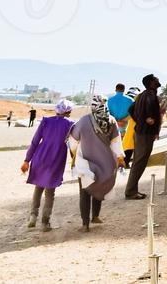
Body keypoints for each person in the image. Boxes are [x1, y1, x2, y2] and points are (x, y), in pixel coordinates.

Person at [68, 96, 124, 232]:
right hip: (105, 163)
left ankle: (85, 224)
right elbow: (116, 142)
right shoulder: (111, 120)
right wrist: (120, 158)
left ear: (93, 106)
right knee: (99, 188)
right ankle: (96, 216)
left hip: (85, 163)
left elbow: (73, 142)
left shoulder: (83, 121)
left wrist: (73, 154)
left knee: (85, 192)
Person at [20, 99, 73, 231]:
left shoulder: (45, 121)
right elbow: (74, 145)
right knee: (50, 192)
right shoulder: (71, 124)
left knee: (39, 187)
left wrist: (27, 160)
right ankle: (45, 222)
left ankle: (33, 215)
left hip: (40, 156)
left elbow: (35, 141)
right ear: (67, 111)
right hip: (56, 158)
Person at [124, 75, 162, 200]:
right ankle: (130, 192)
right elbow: (147, 112)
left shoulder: (143, 95)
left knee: (138, 162)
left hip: (141, 132)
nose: (158, 80)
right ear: (151, 83)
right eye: (155, 79)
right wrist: (145, 120)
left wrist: (140, 120)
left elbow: (130, 110)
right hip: (145, 134)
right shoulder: (150, 96)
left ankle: (132, 190)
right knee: (139, 163)